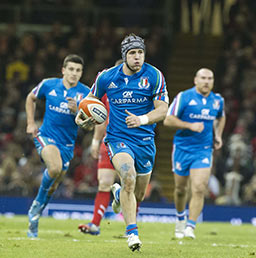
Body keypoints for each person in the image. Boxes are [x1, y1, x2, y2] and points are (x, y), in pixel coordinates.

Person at [75, 33, 169, 251]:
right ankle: (132, 234)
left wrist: (142, 120)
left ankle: (117, 195)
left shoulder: (154, 75)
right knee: (128, 177)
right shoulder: (107, 77)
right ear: (124, 55)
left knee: (138, 194)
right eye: (133, 53)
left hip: (145, 141)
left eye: (140, 53)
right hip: (118, 139)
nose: (137, 57)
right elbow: (89, 101)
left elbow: (163, 110)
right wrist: (82, 118)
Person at [25, 54, 91, 238]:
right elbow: (31, 98)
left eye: (78, 70)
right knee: (54, 168)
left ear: (81, 73)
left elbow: (90, 125)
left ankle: (36, 214)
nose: (74, 73)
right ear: (63, 70)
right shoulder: (49, 85)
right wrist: (30, 123)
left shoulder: (86, 94)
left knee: (53, 186)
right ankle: (35, 208)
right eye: (71, 69)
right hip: (45, 137)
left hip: (67, 145)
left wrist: (78, 111)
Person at [163, 68, 226, 239]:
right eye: (203, 78)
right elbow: (168, 119)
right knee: (181, 189)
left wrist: (218, 135)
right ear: (195, 80)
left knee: (199, 188)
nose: (206, 81)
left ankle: (190, 226)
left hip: (203, 149)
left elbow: (221, 117)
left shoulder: (217, 100)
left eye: (210, 78)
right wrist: (189, 125)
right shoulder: (184, 97)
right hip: (182, 148)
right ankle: (180, 218)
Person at [78, 60, 123, 236]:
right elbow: (100, 116)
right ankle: (95, 225)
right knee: (104, 183)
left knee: (131, 184)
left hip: (133, 142)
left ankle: (131, 229)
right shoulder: (107, 88)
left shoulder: (141, 91)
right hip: (109, 140)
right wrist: (96, 141)